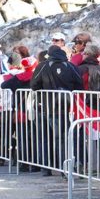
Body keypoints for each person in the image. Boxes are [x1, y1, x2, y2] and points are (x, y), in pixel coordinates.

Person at [31, 45, 83, 176]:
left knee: (44, 137)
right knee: (63, 139)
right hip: (65, 107)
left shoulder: (43, 66)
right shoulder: (70, 66)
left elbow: (33, 85)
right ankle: (63, 168)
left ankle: (46, 168)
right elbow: (79, 83)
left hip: (45, 107)